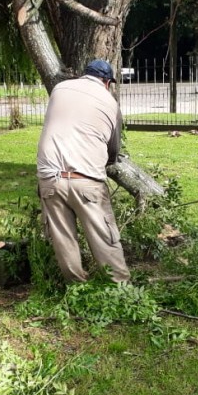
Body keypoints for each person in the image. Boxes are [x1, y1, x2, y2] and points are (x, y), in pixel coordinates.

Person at [37, 59, 130, 283]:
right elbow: (113, 150)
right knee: (103, 235)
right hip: (86, 180)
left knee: (63, 238)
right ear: (107, 82)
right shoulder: (110, 103)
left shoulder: (59, 89)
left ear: (84, 74)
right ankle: (121, 289)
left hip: (50, 178)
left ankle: (76, 287)